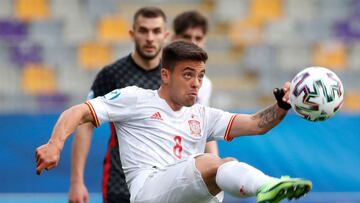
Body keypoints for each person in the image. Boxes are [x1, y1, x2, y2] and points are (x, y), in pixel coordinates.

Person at [36, 41, 312, 203]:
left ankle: (266, 186)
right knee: (210, 162)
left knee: (225, 164)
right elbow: (78, 112)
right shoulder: (135, 99)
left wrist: (281, 107)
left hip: (191, 194)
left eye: (201, 76)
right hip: (149, 191)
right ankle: (266, 187)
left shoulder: (203, 114)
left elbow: (256, 124)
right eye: (188, 74)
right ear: (166, 75)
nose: (196, 83)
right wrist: (54, 144)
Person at [68, 7, 217, 203]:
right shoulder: (112, 74)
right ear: (132, 34)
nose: (149, 38)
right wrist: (76, 181)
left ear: (165, 36)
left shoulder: (180, 79)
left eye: (156, 31)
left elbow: (201, 125)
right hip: (119, 184)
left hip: (168, 185)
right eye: (143, 30)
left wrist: (214, 166)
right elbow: (85, 124)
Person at [172, 10, 217, 155]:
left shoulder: (205, 84)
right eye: (187, 37)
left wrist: (215, 161)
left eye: (198, 38)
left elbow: (204, 127)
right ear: (174, 38)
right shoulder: (157, 76)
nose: (193, 43)